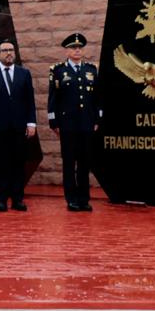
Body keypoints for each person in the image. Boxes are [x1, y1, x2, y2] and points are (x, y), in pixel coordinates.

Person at [0, 39, 37, 212]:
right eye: (4, 50)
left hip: (19, 127)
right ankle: (2, 199)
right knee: (1, 163)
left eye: (11, 50)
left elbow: (29, 100)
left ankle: (18, 199)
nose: (9, 53)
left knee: (19, 163)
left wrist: (31, 122)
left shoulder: (23, 73)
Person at [47, 32, 101, 212]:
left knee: (85, 162)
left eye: (79, 48)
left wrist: (97, 119)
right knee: (69, 163)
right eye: (73, 48)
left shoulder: (91, 70)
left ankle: (84, 199)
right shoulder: (58, 71)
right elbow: (53, 98)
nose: (77, 51)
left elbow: (97, 99)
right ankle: (71, 199)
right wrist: (54, 123)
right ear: (67, 51)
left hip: (86, 123)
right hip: (67, 125)